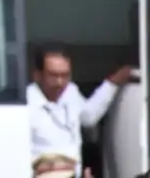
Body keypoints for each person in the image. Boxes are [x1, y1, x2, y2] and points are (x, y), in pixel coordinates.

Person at [28, 44, 134, 178]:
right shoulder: (25, 105)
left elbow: (88, 117)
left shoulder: (70, 91)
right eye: (53, 75)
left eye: (65, 75)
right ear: (37, 75)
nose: (60, 82)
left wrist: (112, 82)